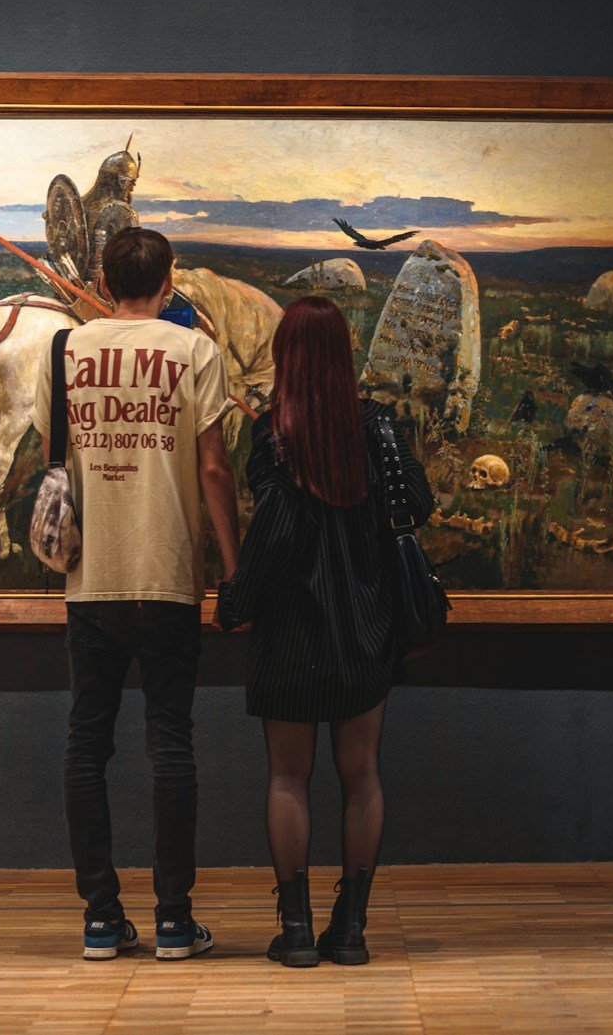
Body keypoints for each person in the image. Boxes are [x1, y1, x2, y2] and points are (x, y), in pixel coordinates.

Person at [30, 227, 242, 962]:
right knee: (169, 743)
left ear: (102, 273)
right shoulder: (194, 351)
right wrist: (233, 565)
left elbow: (54, 447)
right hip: (168, 573)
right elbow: (214, 469)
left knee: (87, 741)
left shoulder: (64, 349)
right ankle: (175, 923)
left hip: (90, 579)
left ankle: (99, 917)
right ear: (171, 276)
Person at [215, 295, 434, 968]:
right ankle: (353, 928)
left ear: (286, 354)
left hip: (292, 633)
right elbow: (418, 505)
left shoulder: (274, 432)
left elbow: (276, 536)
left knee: (288, 776)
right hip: (368, 625)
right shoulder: (379, 428)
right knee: (362, 775)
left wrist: (234, 600)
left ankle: (298, 928)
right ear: (344, 354)